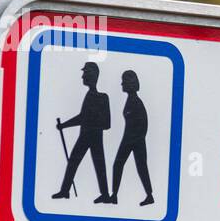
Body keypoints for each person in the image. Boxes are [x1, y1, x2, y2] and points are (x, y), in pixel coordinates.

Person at [53, 62, 111, 202]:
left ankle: (105, 195)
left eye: (85, 73)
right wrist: (64, 125)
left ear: (92, 76)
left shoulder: (102, 97)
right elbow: (82, 117)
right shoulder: (90, 96)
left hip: (93, 136)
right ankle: (65, 191)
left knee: (99, 165)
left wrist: (90, 122)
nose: (82, 76)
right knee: (74, 162)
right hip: (86, 135)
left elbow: (106, 123)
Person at [105, 69, 154, 206]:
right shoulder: (131, 100)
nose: (121, 84)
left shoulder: (136, 102)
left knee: (138, 167)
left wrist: (135, 139)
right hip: (130, 139)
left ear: (130, 84)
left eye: (124, 81)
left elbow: (144, 123)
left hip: (134, 140)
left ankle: (148, 195)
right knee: (125, 166)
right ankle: (114, 195)